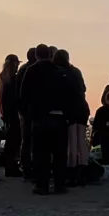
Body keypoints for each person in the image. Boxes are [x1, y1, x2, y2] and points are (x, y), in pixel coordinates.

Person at [20, 50, 73, 194]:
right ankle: (59, 184)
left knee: (40, 153)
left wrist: (27, 114)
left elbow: (23, 95)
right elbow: (71, 95)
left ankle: (41, 185)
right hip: (60, 117)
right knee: (59, 153)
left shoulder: (31, 71)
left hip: (40, 118)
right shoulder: (61, 73)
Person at [58, 50, 91, 185]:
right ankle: (83, 170)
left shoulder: (60, 72)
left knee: (71, 141)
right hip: (82, 108)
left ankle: (71, 172)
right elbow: (83, 88)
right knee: (81, 140)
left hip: (70, 109)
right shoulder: (75, 71)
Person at [15, 45, 47, 183]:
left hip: (26, 110)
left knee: (27, 140)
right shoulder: (32, 70)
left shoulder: (25, 70)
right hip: (32, 111)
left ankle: (27, 167)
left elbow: (20, 92)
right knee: (31, 140)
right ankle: (30, 167)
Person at [0, 54, 22, 177]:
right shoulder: (13, 79)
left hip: (6, 112)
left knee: (11, 140)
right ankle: (12, 167)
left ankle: (9, 165)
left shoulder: (2, 78)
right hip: (13, 112)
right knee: (15, 140)